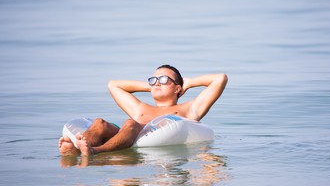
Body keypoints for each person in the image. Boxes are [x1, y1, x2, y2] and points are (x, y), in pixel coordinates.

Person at [58, 65, 228, 156]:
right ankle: (78, 149)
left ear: (177, 88)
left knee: (132, 123)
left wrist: (188, 83)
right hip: (127, 137)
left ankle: (94, 151)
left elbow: (220, 79)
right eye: (153, 80)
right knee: (99, 123)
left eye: (163, 79)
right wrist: (152, 87)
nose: (157, 83)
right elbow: (113, 85)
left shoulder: (190, 108)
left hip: (140, 135)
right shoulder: (141, 108)